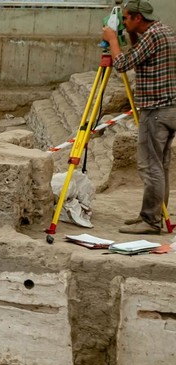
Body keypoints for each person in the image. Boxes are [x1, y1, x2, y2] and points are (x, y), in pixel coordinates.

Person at [103, 0, 176, 235]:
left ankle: (151, 221)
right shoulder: (162, 30)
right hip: (168, 108)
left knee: (150, 166)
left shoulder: (152, 36)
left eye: (126, 18)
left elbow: (123, 64)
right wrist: (130, 35)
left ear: (137, 18)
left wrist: (113, 41)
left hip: (156, 110)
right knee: (160, 166)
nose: (123, 22)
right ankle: (154, 214)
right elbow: (140, 55)